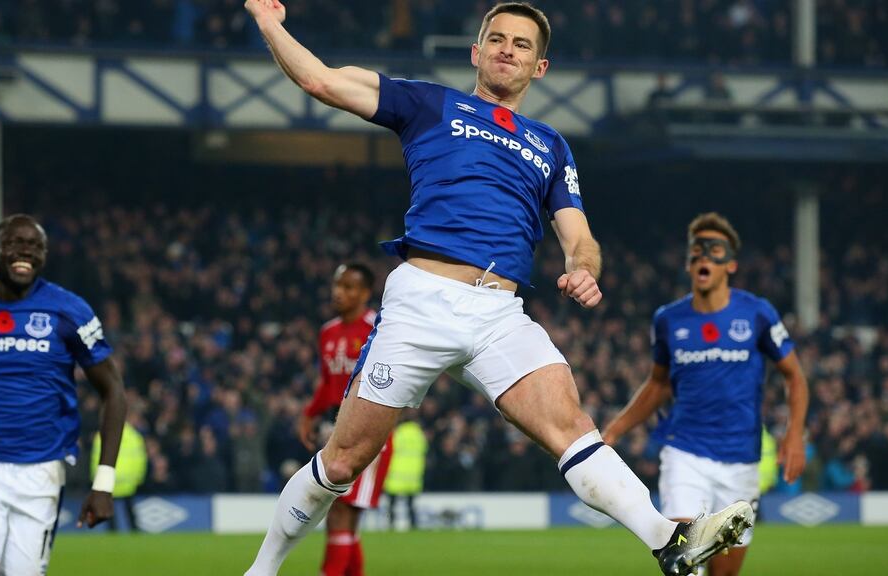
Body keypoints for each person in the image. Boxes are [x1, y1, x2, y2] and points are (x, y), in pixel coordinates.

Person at [243, 3, 752, 575]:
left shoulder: (552, 147)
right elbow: (321, 80)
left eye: (522, 44)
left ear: (540, 66)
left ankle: (668, 539)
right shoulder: (430, 103)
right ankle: (261, 570)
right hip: (422, 298)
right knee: (343, 462)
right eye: (497, 39)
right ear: (476, 52)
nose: (508, 49)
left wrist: (584, 268)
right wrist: (269, 25)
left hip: (498, 313)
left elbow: (580, 237)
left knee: (571, 426)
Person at [602, 212, 809, 576]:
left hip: (741, 462)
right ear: (688, 262)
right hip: (685, 454)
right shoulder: (668, 320)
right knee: (685, 558)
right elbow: (658, 384)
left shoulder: (758, 314)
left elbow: (794, 376)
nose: (703, 257)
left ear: (730, 264)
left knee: (724, 574)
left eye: (714, 250)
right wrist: (614, 431)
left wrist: (794, 434)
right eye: (696, 251)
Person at [0, 214, 127, 576]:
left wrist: (103, 483)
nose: (26, 251)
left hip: (40, 472)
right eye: (15, 243)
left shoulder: (68, 310)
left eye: (36, 246)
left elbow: (113, 390)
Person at [295, 263, 390, 576]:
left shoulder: (378, 328)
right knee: (345, 521)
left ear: (364, 293)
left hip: (369, 433)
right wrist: (309, 415)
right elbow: (327, 383)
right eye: (337, 285)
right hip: (337, 431)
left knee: (339, 513)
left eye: (349, 287)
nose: (339, 292)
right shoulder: (328, 332)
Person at [91, 418, 148, 532]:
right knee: (129, 509)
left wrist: (95, 479)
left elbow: (96, 459)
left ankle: (113, 533)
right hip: (128, 481)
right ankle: (135, 532)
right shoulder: (134, 436)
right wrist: (139, 477)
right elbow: (141, 459)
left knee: (109, 510)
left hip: (108, 480)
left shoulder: (101, 436)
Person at [384, 410, 428, 530]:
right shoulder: (419, 434)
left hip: (396, 474)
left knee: (392, 504)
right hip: (413, 475)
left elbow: (389, 450)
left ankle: (391, 524)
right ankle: (413, 525)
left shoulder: (397, 433)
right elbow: (424, 451)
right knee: (411, 505)